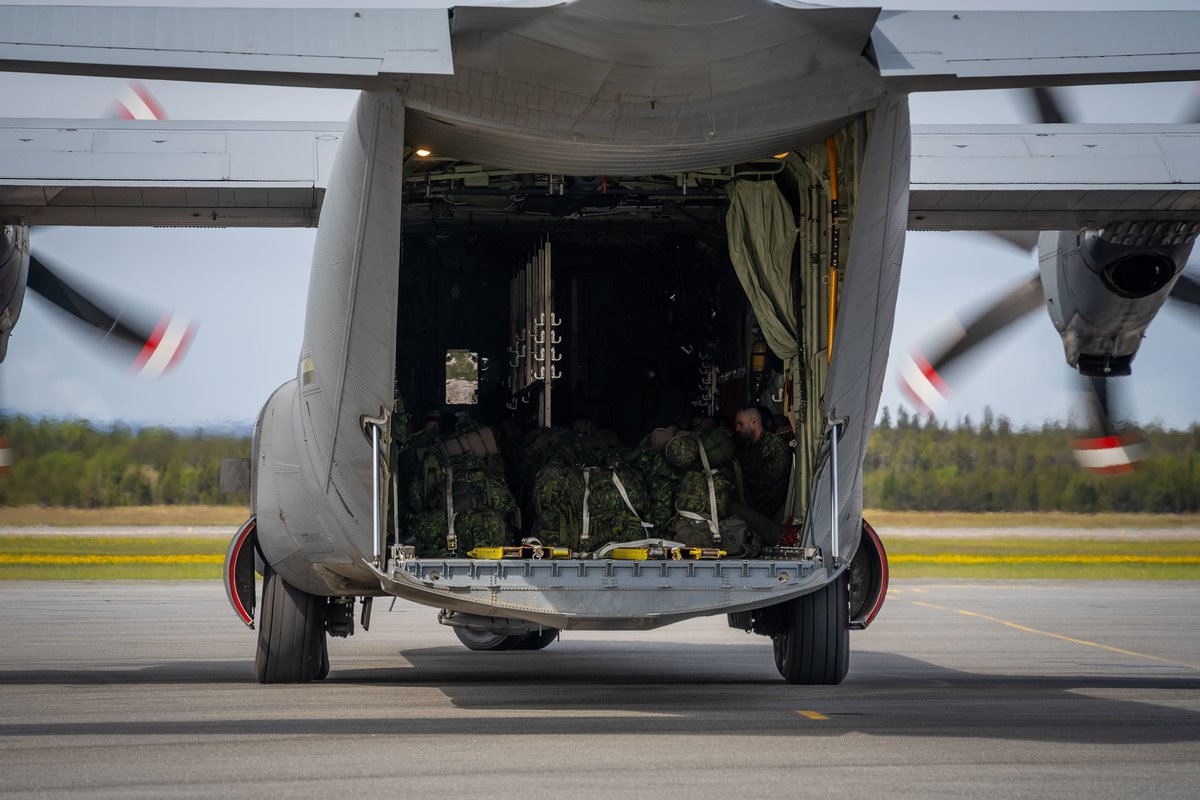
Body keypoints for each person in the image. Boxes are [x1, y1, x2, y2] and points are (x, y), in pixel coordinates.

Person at [734, 406, 790, 519]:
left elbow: (775, 477)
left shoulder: (774, 444)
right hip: (754, 511)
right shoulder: (748, 448)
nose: (737, 429)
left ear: (753, 421)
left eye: (741, 424)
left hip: (772, 513)